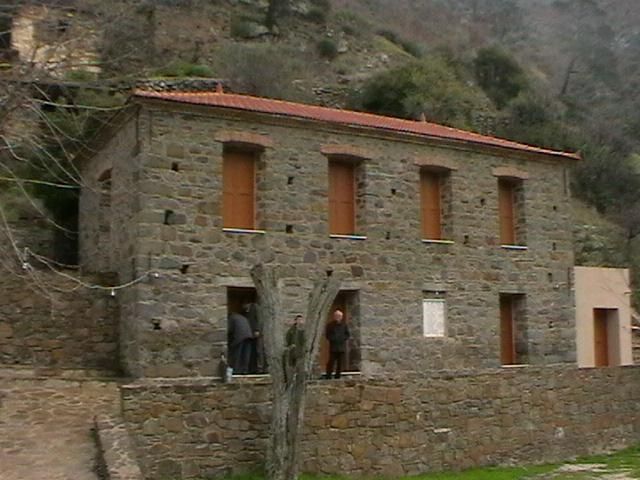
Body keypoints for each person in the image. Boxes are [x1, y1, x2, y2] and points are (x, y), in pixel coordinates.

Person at [325, 309, 350, 379]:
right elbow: (327, 335)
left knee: (340, 363)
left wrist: (343, 338)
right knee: (331, 362)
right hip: (333, 346)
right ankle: (328, 375)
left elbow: (347, 334)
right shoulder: (330, 325)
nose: (338, 317)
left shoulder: (344, 325)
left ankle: (338, 376)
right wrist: (333, 339)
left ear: (341, 317)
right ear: (334, 316)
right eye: (336, 316)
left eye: (339, 316)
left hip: (341, 346)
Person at [227, 307, 253, 375]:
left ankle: (236, 370)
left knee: (237, 354)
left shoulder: (232, 318)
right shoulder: (242, 317)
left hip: (240, 336)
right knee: (246, 354)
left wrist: (229, 342)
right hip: (249, 335)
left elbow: (229, 330)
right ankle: (245, 370)